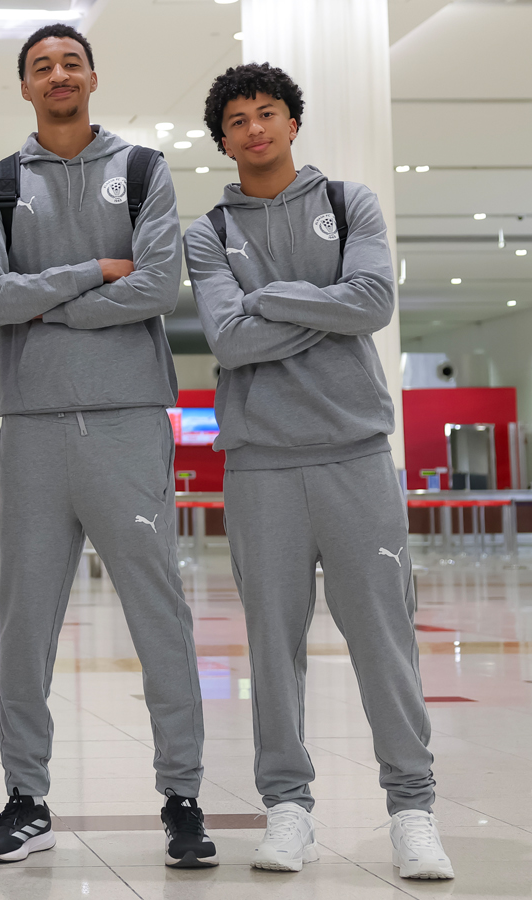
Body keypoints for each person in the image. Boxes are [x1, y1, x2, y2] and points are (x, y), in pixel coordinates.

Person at [185, 63, 454, 880]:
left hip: (355, 454)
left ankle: (412, 811)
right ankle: (287, 808)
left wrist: (266, 298)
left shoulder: (349, 202)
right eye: (238, 120)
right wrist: (323, 305)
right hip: (260, 464)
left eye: (268, 113)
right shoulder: (209, 233)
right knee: (273, 648)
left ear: (292, 123)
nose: (255, 128)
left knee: (384, 639)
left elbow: (373, 303)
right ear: (224, 139)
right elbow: (228, 341)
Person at [0, 23, 214, 868]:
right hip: (32, 427)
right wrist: (93, 273)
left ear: (93, 77)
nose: (58, 73)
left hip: (126, 420)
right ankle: (25, 798)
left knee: (158, 612)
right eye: (42, 66)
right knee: (23, 623)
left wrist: (46, 304)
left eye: (71, 61)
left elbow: (158, 286)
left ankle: (183, 796)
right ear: (25, 87)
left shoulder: (141, 171)